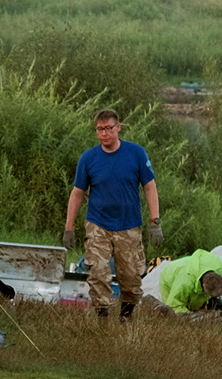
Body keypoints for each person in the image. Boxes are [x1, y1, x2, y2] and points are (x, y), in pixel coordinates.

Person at [60, 109, 161, 319]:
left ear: (118, 128)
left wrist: (155, 222)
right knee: (97, 272)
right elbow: (78, 193)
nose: (104, 133)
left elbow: (150, 187)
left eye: (108, 128)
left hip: (129, 225)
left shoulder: (136, 153)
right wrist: (68, 228)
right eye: (100, 129)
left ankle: (126, 316)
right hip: (98, 224)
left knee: (131, 278)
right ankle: (102, 316)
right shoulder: (88, 158)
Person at [140, 249, 222, 315]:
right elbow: (174, 305)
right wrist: (193, 316)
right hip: (168, 277)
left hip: (191, 268)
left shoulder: (219, 266)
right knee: (171, 313)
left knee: (197, 304)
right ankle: (147, 299)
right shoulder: (185, 282)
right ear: (203, 285)